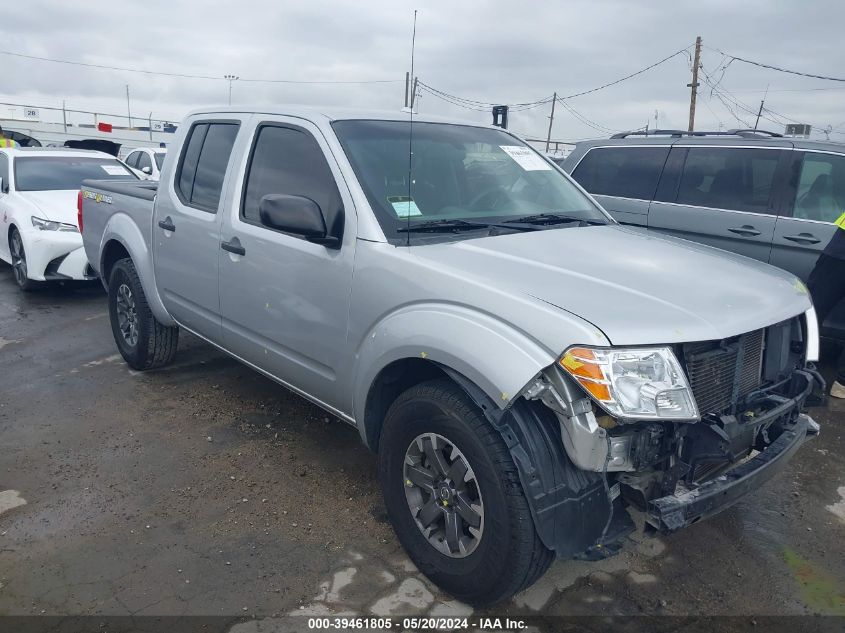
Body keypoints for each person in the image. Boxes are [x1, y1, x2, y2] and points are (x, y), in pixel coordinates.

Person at [807, 211, 845, 398]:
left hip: (839, 252)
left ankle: (796, 370)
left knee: (812, 312)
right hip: (840, 252)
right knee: (812, 312)